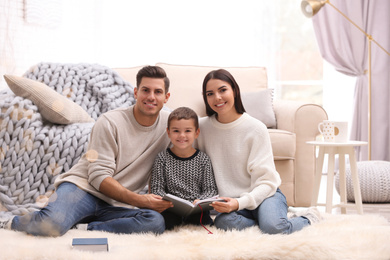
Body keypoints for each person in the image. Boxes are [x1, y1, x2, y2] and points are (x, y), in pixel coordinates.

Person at [0, 66, 174, 236]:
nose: (151, 97)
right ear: (136, 93)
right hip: (82, 189)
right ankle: (10, 222)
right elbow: (98, 177)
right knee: (50, 224)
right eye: (146, 90)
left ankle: (84, 229)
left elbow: (198, 128)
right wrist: (139, 200)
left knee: (155, 222)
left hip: (117, 204)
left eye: (157, 92)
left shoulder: (172, 125)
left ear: (166, 97)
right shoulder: (110, 121)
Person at [195, 69, 322, 235]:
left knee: (274, 228)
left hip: (265, 195)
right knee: (223, 223)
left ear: (234, 90)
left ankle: (309, 217)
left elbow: (267, 182)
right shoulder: (201, 128)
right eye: (210, 94)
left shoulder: (255, 128)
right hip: (233, 203)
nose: (217, 98)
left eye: (223, 90)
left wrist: (240, 203)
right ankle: (265, 220)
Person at [150, 107, 218, 230]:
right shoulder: (162, 158)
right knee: (165, 222)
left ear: (196, 133)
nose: (182, 135)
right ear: (168, 132)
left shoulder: (203, 159)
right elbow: (156, 189)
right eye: (176, 131)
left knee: (202, 222)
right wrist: (168, 202)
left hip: (196, 208)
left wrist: (199, 201)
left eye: (187, 131)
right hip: (171, 209)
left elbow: (210, 190)